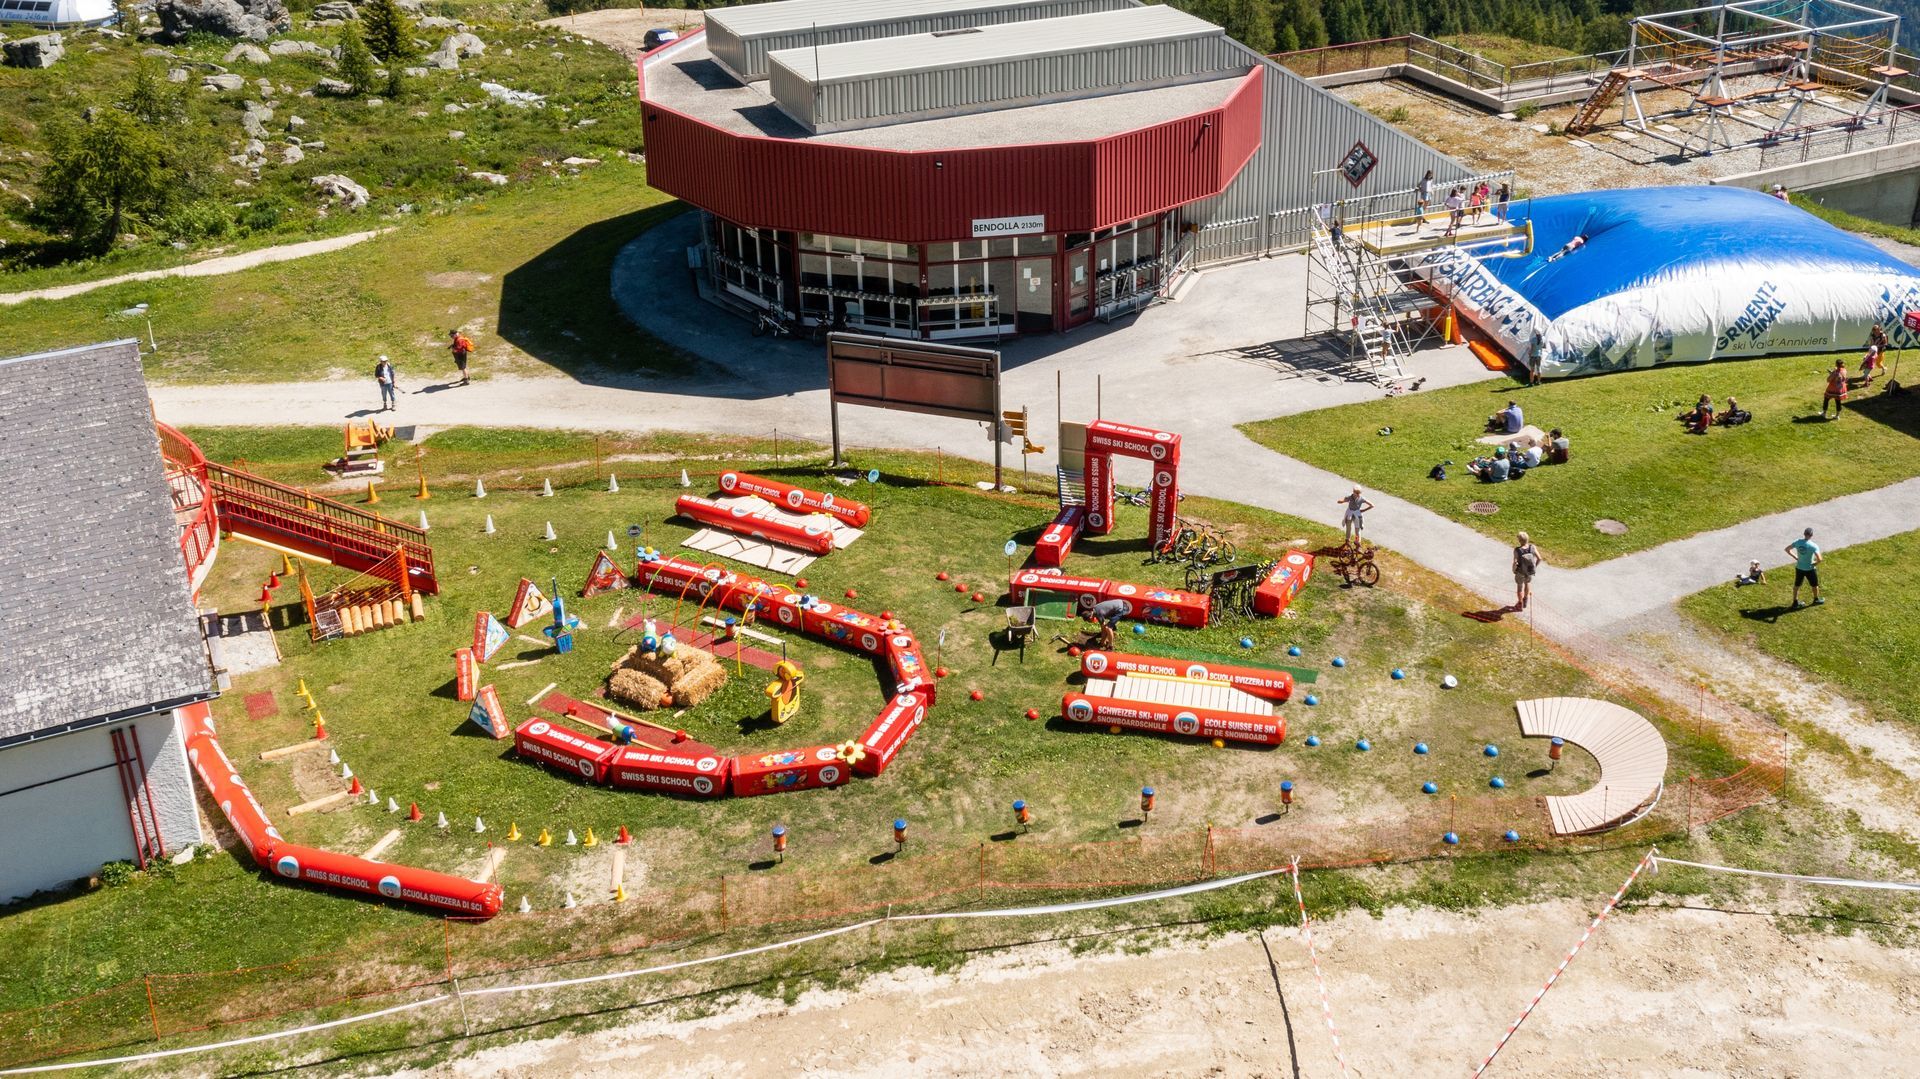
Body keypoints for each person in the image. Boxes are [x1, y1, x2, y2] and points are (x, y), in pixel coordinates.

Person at [1785, 527, 1823, 607]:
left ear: (1804, 534)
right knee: (1814, 585)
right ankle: (1816, 599)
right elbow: (1820, 559)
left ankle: (1795, 602)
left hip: (1799, 568)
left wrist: (1795, 557)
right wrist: (1814, 564)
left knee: (1797, 585)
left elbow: (1787, 549)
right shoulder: (1814, 546)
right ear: (1812, 535)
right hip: (1810, 569)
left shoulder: (1798, 542)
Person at [1512, 531, 1542, 611]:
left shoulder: (1517, 550)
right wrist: (1534, 566)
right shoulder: (1532, 547)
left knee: (1519, 587)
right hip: (1529, 571)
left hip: (1520, 572)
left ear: (1519, 540)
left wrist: (1514, 569)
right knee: (1527, 583)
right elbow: (1540, 558)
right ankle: (1525, 599)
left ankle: (1520, 603)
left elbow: (1515, 562)